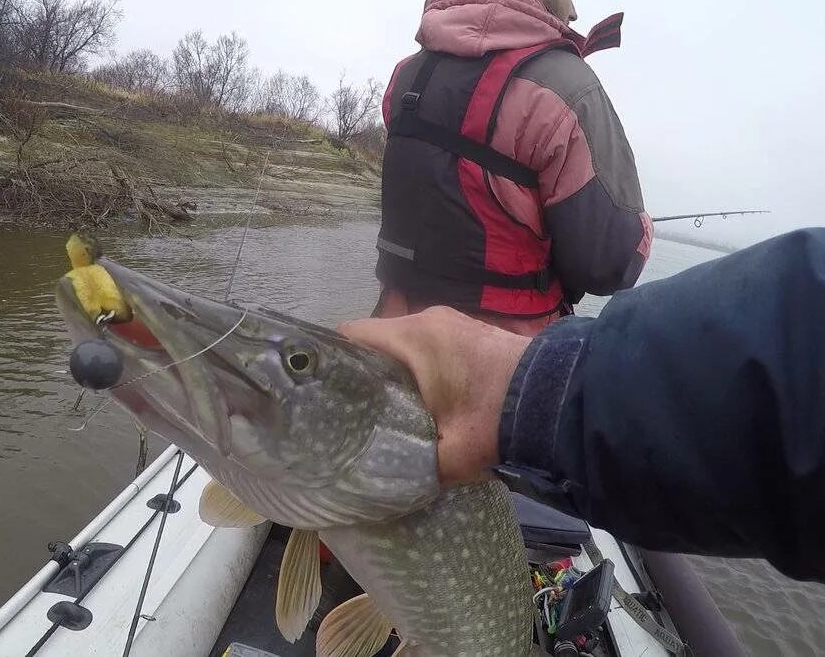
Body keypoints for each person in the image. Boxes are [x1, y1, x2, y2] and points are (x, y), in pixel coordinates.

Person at [340, 229, 825, 583]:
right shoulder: (569, 96)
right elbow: (609, 260)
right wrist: (638, 234)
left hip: (414, 352)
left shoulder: (405, 87)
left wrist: (541, 386)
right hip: (493, 365)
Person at [376, 0, 652, 336]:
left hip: (392, 331)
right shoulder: (569, 87)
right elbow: (607, 264)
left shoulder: (405, 75)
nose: (573, 11)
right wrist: (643, 227)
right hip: (499, 357)